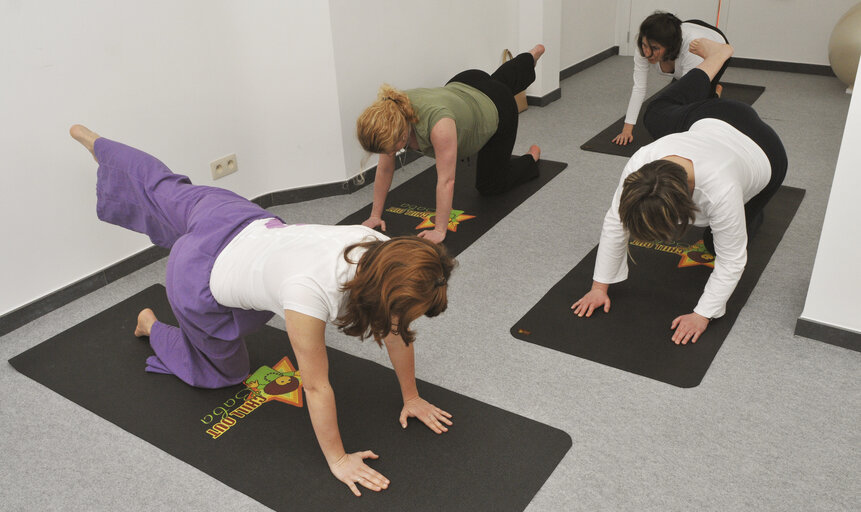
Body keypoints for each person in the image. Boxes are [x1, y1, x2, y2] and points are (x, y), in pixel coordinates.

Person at [69, 124, 456, 497]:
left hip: (234, 215)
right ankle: (151, 325)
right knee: (226, 372)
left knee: (161, 185)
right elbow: (317, 385)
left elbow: (394, 328)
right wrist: (338, 460)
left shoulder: (377, 246)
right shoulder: (308, 295)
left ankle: (98, 144)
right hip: (197, 275)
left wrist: (412, 397)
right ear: (387, 292)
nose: (403, 321)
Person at [572, 39, 787, 345]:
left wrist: (702, 314)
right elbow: (615, 222)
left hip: (765, 151)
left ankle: (750, 209)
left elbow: (732, 262)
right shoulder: (641, 163)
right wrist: (599, 286)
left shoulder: (720, 191)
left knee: (719, 242)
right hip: (712, 115)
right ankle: (717, 57)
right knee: (656, 111)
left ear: (685, 207)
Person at [356, 44, 546, 243]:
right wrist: (375, 216)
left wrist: (439, 230)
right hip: (467, 81)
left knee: (491, 185)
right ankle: (529, 58)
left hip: (498, 105)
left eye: (394, 147)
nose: (393, 152)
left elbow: (447, 181)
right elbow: (385, 169)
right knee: (496, 81)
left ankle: (530, 159)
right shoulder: (392, 111)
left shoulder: (439, 127)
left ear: (402, 131)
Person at [612, 12, 728, 146]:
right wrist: (627, 129)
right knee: (676, 95)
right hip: (686, 29)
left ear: (670, 47)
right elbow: (639, 88)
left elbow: (689, 97)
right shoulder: (644, 47)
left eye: (655, 48)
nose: (647, 53)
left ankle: (714, 92)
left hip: (715, 46)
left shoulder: (692, 50)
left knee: (700, 103)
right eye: (645, 45)